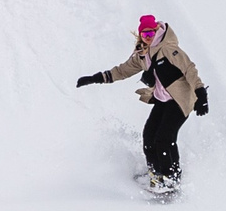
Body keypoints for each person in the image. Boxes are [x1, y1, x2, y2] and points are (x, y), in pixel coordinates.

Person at [76, 15, 209, 195]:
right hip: (163, 100)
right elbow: (122, 70)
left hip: (180, 100)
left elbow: (189, 69)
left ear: (156, 31)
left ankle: (172, 179)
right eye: (144, 33)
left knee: (164, 138)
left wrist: (201, 94)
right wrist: (96, 78)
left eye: (151, 32)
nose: (148, 36)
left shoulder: (169, 49)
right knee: (148, 137)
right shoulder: (142, 54)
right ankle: (155, 175)